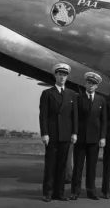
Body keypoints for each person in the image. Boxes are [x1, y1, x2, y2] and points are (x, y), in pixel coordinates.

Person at [39, 63, 78, 202]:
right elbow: (43, 115)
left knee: (62, 165)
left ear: (67, 77)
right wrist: (44, 133)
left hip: (66, 135)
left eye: (64, 75)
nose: (62, 77)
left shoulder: (72, 95)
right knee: (51, 164)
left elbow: (74, 116)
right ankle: (48, 193)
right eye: (60, 74)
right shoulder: (47, 93)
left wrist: (74, 133)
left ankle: (59, 193)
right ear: (55, 75)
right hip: (52, 135)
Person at [70, 72, 107, 201]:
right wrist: (74, 133)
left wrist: (103, 137)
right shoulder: (78, 98)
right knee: (78, 166)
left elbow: (104, 120)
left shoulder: (101, 100)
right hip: (80, 138)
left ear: (97, 86)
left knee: (92, 167)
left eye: (94, 84)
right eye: (89, 83)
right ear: (85, 84)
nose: (91, 86)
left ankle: (91, 191)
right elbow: (75, 117)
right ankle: (75, 191)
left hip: (94, 139)